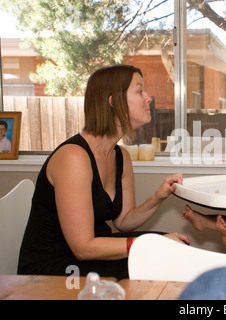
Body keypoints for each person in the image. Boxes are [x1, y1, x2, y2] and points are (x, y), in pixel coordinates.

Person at [18, 65, 190, 280]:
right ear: (113, 102)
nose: (149, 98)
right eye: (139, 91)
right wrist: (149, 245)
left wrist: (159, 196)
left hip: (91, 256)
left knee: (176, 249)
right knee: (161, 257)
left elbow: (124, 221)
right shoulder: (74, 158)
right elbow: (83, 248)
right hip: (53, 268)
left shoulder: (121, 156)